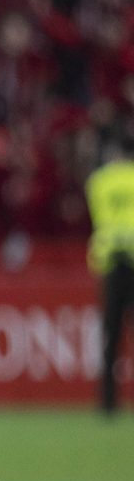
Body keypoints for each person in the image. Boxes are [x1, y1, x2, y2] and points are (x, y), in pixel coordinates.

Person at [86, 131, 134, 414]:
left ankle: (107, 402)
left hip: (112, 264)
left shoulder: (100, 181)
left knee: (111, 335)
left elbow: (98, 216)